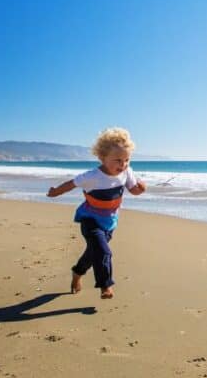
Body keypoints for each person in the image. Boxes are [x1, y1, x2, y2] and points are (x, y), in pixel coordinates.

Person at [46, 127, 146, 299]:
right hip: (90, 219)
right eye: (118, 160)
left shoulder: (127, 171)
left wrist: (141, 188)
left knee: (93, 254)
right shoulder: (92, 176)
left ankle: (77, 272)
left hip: (110, 221)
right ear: (102, 157)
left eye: (127, 160)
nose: (123, 165)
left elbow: (133, 190)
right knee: (104, 252)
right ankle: (105, 286)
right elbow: (71, 184)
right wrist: (56, 191)